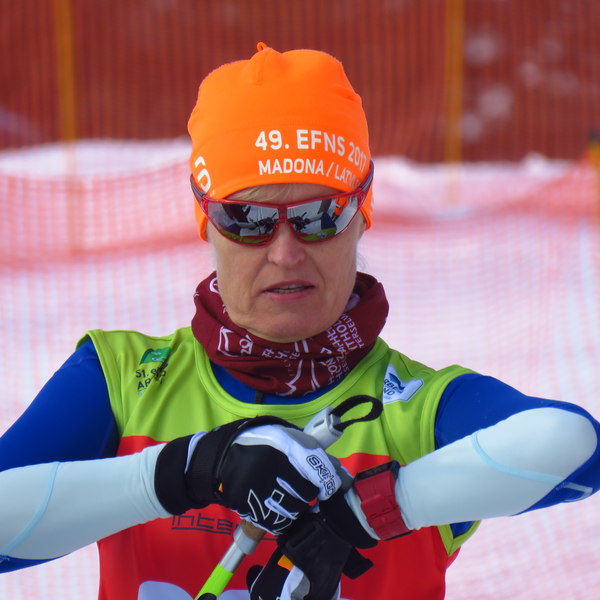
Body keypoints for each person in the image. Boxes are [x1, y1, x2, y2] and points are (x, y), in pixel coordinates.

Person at [0, 42, 599, 600]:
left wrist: (371, 510)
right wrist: (183, 470)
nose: (285, 253)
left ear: (361, 214)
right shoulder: (123, 381)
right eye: (247, 218)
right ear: (206, 221)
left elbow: (576, 445)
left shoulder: (416, 412)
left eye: (320, 215)